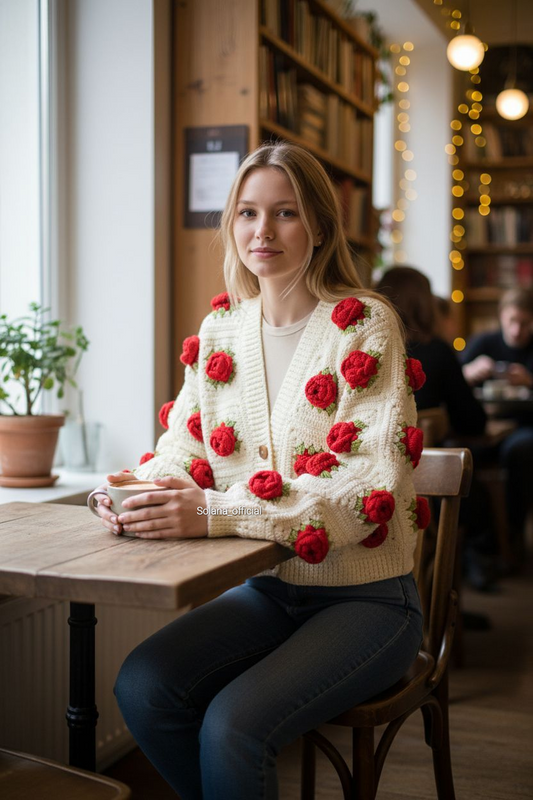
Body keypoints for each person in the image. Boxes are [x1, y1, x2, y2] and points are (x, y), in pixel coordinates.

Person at [91, 143, 425, 800]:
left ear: (320, 227)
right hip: (268, 589)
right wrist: (134, 490)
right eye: (246, 212)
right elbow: (184, 455)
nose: (261, 232)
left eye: (284, 213)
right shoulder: (221, 329)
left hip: (367, 597)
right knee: (142, 684)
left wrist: (215, 512)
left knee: (232, 726)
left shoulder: (365, 326)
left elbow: (364, 488)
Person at [375, 267, 499, 594]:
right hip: (425, 491)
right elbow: (474, 422)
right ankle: (449, 591)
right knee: (474, 492)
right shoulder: (438, 352)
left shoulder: (363, 350)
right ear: (425, 303)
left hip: (369, 488)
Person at [461, 288, 533, 562]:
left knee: (522, 451)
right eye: (513, 321)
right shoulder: (483, 344)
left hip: (523, 427)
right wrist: (469, 371)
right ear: (501, 317)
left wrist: (529, 381)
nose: (517, 330)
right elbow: (455, 382)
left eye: (525, 323)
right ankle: (479, 541)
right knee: (463, 456)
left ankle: (511, 533)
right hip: (484, 429)